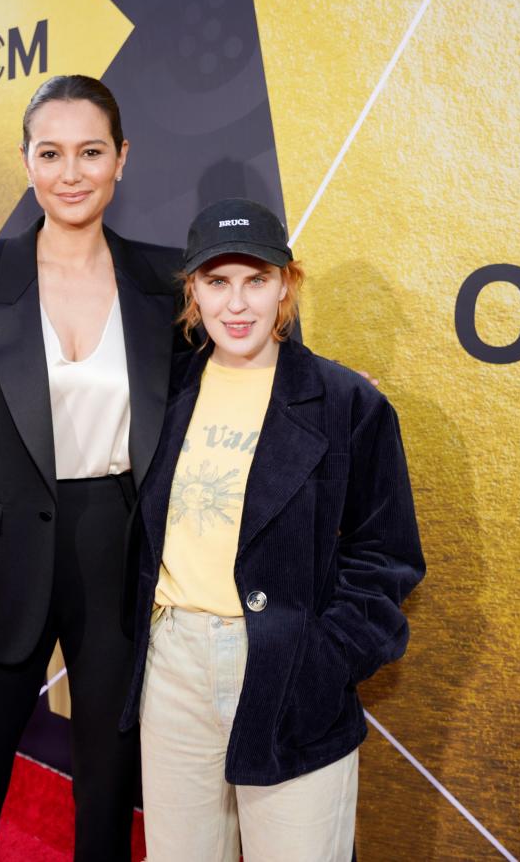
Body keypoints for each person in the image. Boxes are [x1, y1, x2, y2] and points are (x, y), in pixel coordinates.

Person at [0, 75, 183, 861]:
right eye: (50, 152)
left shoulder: (165, 280)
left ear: (121, 160)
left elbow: (243, 351)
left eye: (90, 151)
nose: (71, 172)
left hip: (116, 554)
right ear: (25, 161)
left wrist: (326, 388)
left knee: (107, 783)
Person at [120, 198, 426, 861]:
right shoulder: (160, 394)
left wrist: (327, 658)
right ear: (192, 292)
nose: (237, 304)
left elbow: (386, 555)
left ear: (287, 284)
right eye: (217, 281)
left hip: (291, 671)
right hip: (173, 669)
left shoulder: (348, 402)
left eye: (256, 279)